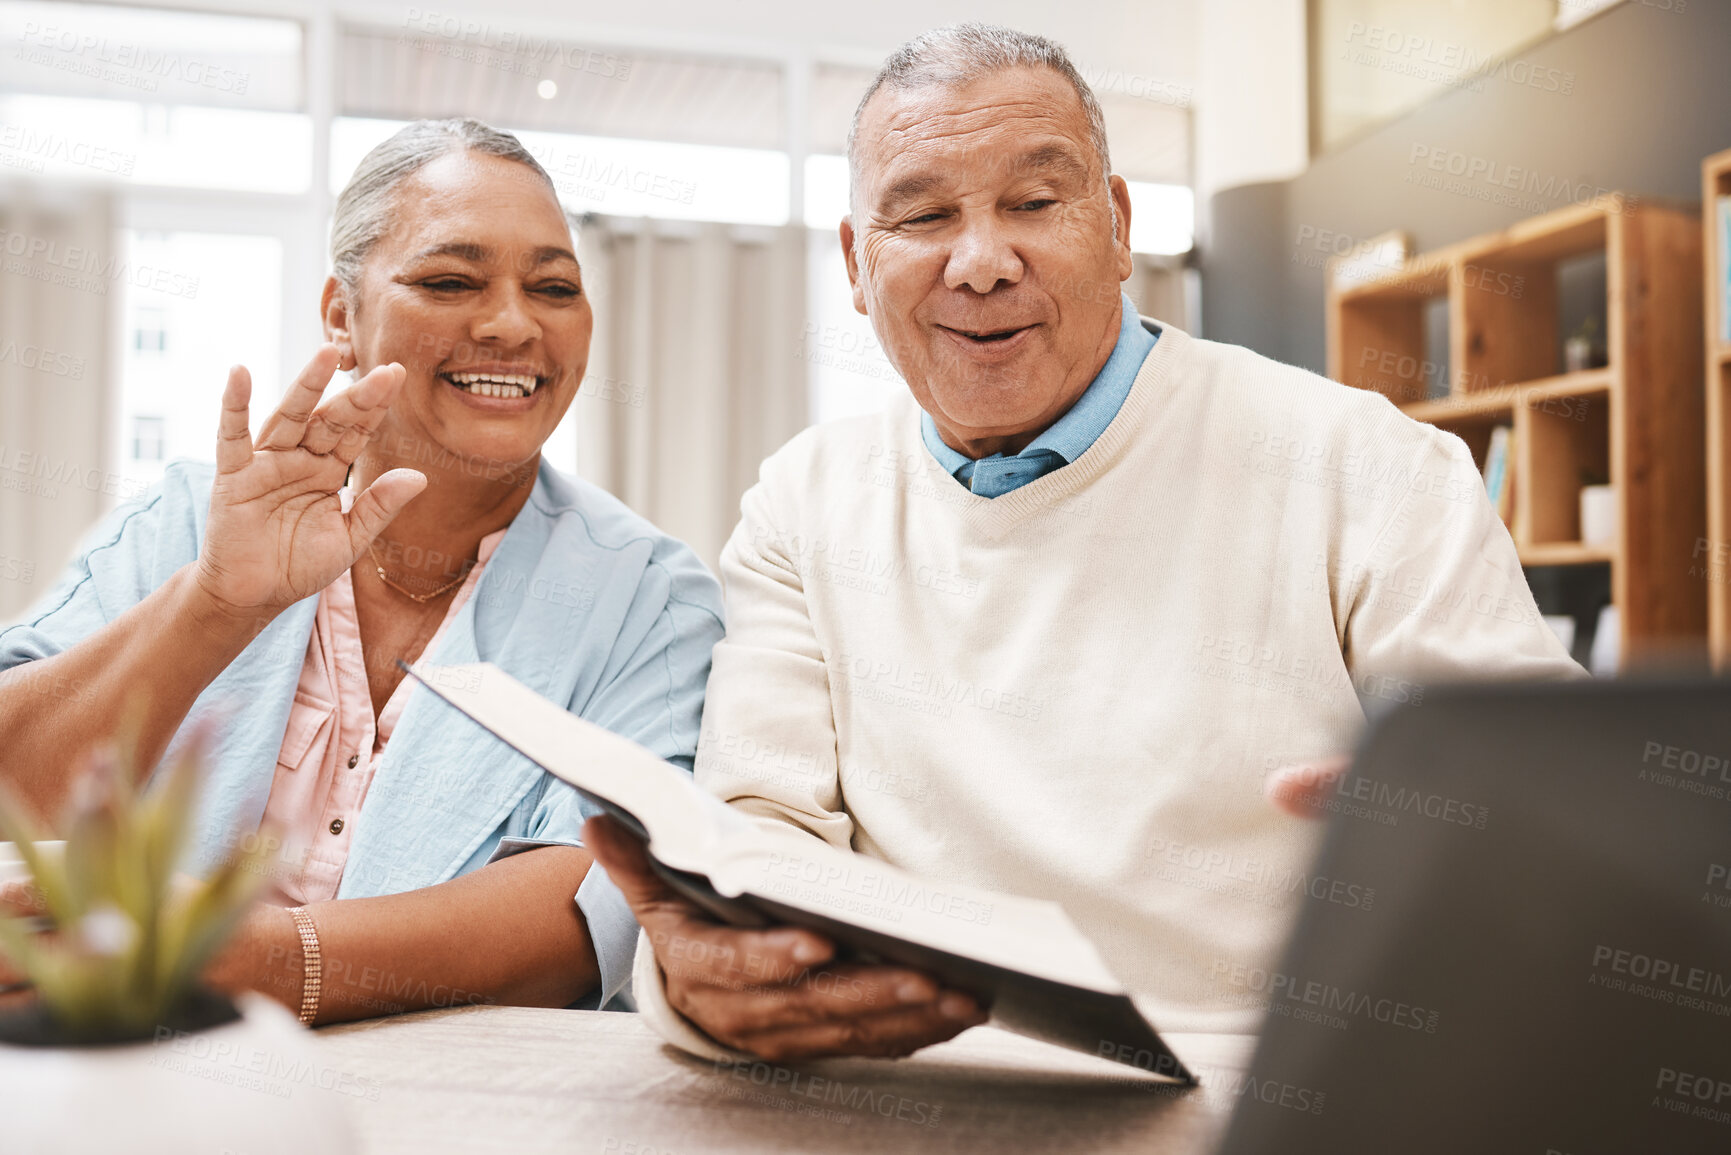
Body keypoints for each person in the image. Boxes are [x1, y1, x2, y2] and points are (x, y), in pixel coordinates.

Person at [586, 24, 1582, 1062]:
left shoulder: (1364, 462)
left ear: (1115, 227)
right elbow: (759, 824)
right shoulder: (802, 501)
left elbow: (1552, 812)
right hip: (918, 1085)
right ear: (854, 261)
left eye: (1033, 202)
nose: (979, 263)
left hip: (1269, 1079)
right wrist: (723, 972)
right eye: (922, 215)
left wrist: (1474, 817)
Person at [0, 119, 723, 1023]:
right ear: (342, 314)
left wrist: (253, 959)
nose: (512, 323)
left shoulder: (651, 599)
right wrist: (213, 605)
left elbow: (598, 903)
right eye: (449, 280)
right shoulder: (190, 523)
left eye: (554, 287)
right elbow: (13, 787)